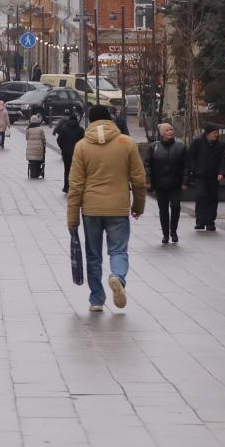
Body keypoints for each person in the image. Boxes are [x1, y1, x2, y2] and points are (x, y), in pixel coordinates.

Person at [67, 105, 147, 312]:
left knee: (93, 255)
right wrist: (138, 205)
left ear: (90, 122)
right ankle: (117, 276)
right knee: (118, 249)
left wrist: (72, 216)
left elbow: (75, 184)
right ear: (110, 119)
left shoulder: (82, 146)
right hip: (118, 207)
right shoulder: (127, 143)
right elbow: (138, 179)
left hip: (91, 208)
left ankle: (96, 299)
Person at [145, 122, 188, 244]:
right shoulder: (154, 147)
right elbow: (148, 165)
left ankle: (173, 230)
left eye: (171, 129)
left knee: (175, 207)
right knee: (163, 209)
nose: (170, 132)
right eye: (167, 130)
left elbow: (186, 166)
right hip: (160, 184)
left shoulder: (180, 147)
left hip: (175, 183)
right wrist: (148, 180)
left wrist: (185, 181)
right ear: (162, 133)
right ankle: (165, 234)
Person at [187, 124, 225, 231]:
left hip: (213, 177)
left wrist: (221, 172)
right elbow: (191, 156)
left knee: (212, 198)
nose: (216, 135)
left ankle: (210, 222)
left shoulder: (220, 145)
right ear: (207, 134)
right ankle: (200, 221)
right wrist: (194, 169)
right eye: (214, 133)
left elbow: (224, 160)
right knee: (200, 196)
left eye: (217, 133)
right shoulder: (197, 143)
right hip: (200, 176)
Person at [55, 114, 85, 195]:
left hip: (66, 153)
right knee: (77, 170)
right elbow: (84, 141)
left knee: (67, 170)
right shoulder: (80, 130)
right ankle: (75, 187)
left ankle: (66, 187)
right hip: (77, 153)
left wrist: (63, 148)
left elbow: (59, 140)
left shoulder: (64, 128)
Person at [26, 114, 47, 179]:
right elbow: (43, 138)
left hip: (30, 148)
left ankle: (33, 172)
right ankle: (38, 171)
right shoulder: (40, 129)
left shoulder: (28, 129)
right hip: (39, 148)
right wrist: (44, 143)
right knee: (39, 159)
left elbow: (27, 138)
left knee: (32, 158)